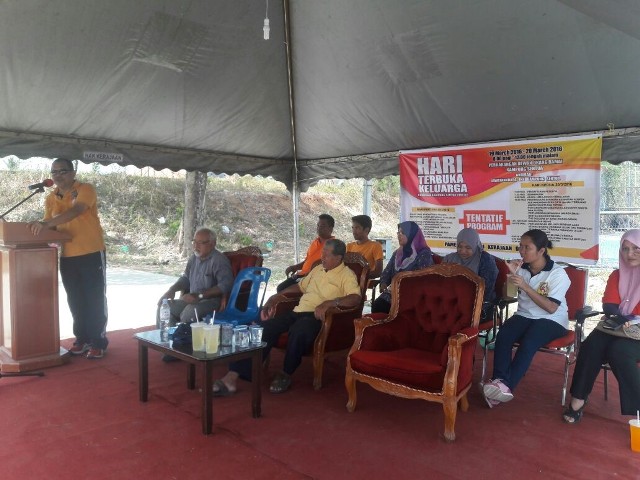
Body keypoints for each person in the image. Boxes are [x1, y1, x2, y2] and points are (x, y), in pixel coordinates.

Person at [213, 239, 361, 395]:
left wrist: (330, 303)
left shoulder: (347, 275)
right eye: (322, 253)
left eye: (326, 255)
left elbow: (355, 298)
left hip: (319, 318)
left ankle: (285, 373)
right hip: (298, 312)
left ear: (338, 258)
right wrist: (276, 297)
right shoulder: (318, 269)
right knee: (263, 327)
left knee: (299, 331)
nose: (322, 257)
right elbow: (299, 286)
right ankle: (233, 376)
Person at [28, 158, 109, 359]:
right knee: (75, 299)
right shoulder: (51, 198)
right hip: (67, 256)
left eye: (62, 171)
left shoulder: (85, 189)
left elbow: (76, 210)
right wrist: (34, 230)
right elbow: (50, 225)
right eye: (54, 172)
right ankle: (81, 339)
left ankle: (98, 341)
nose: (57, 175)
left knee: (94, 298)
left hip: (91, 252)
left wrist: (46, 224)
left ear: (73, 173)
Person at [483, 229, 570, 408]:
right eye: (520, 246)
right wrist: (511, 276)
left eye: (527, 247)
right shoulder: (521, 268)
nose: (522, 251)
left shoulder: (557, 274)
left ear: (541, 251)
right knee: (504, 335)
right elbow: (507, 297)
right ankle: (499, 381)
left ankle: (504, 387)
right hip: (524, 315)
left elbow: (551, 307)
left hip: (552, 319)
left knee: (529, 341)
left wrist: (526, 286)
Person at [563, 229, 640, 423]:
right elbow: (609, 305)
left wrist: (626, 316)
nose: (630, 254)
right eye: (625, 249)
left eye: (636, 248)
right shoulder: (617, 274)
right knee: (591, 345)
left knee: (620, 351)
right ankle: (579, 398)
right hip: (617, 326)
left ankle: (638, 408)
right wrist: (622, 317)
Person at [157, 228, 233, 325]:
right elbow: (186, 279)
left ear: (212, 244)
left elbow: (226, 285)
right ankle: (168, 334)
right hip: (192, 299)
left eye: (201, 243)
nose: (196, 246)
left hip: (211, 301)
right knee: (164, 307)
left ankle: (184, 334)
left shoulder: (219, 260)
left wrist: (199, 295)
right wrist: (172, 289)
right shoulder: (194, 258)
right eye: (194, 242)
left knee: (190, 312)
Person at [371, 221, 433, 314]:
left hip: (413, 295)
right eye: (398, 232)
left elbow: (423, 278)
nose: (399, 235)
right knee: (378, 305)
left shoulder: (423, 254)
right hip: (393, 293)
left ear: (411, 234)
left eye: (403, 233)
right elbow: (386, 272)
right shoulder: (397, 253)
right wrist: (383, 283)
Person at [443, 227, 498, 319]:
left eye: (468, 247)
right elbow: (441, 284)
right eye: (460, 247)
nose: (463, 251)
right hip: (451, 303)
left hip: (478, 307)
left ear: (475, 245)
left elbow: (485, 291)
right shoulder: (449, 259)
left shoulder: (485, 260)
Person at [277, 213, 335, 291]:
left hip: (314, 279)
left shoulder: (334, 245)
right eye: (318, 225)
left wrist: (308, 276)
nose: (319, 228)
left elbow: (329, 267)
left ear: (331, 228)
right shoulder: (315, 242)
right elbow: (307, 261)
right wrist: (294, 267)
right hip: (301, 275)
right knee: (281, 288)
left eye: (322, 226)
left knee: (282, 290)